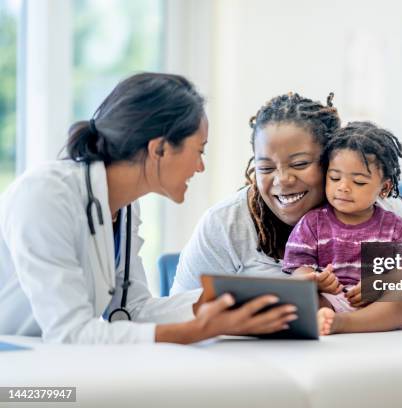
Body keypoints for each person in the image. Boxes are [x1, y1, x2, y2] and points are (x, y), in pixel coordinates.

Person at [0, 73, 297, 344]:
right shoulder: (45, 195)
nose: (200, 166)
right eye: (200, 150)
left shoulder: (126, 208)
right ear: (159, 149)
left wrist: (242, 298)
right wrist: (197, 331)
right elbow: (70, 333)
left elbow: (132, 310)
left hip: (58, 365)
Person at [172, 92, 402, 314]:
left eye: (300, 164)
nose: (282, 179)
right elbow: (183, 312)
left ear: (331, 160)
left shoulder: (382, 212)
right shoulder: (225, 224)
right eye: (265, 168)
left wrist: (389, 285)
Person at [283, 121, 402, 335]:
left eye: (358, 182)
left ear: (384, 188)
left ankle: (344, 323)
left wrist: (378, 284)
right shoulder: (313, 223)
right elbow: (297, 268)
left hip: (378, 304)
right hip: (329, 300)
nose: (343, 187)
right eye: (335, 177)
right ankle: (330, 319)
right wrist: (316, 279)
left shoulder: (393, 227)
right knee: (299, 295)